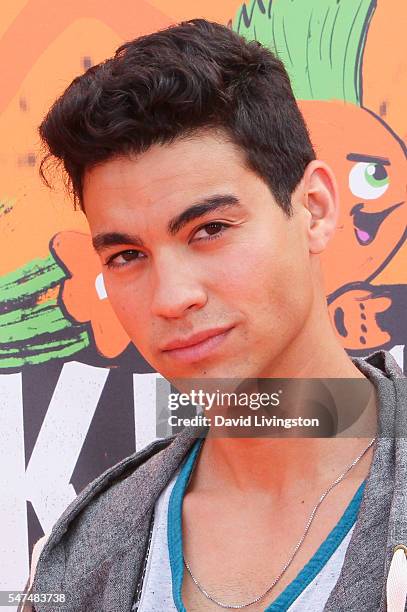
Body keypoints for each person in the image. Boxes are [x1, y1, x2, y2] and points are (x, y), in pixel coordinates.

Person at [24, 18, 407, 612]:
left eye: (209, 230)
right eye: (127, 255)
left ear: (315, 209)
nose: (171, 298)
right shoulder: (87, 548)